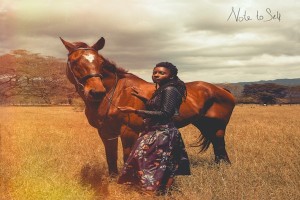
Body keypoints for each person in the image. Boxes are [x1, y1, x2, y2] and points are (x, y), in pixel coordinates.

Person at [117, 62, 191, 195]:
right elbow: (158, 107)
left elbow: (165, 113)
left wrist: (135, 110)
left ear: (171, 76)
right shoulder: (163, 89)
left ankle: (152, 192)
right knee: (156, 162)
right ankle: (160, 192)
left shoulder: (170, 90)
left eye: (162, 73)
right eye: (155, 72)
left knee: (151, 162)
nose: (156, 75)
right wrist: (144, 98)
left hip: (163, 133)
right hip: (156, 130)